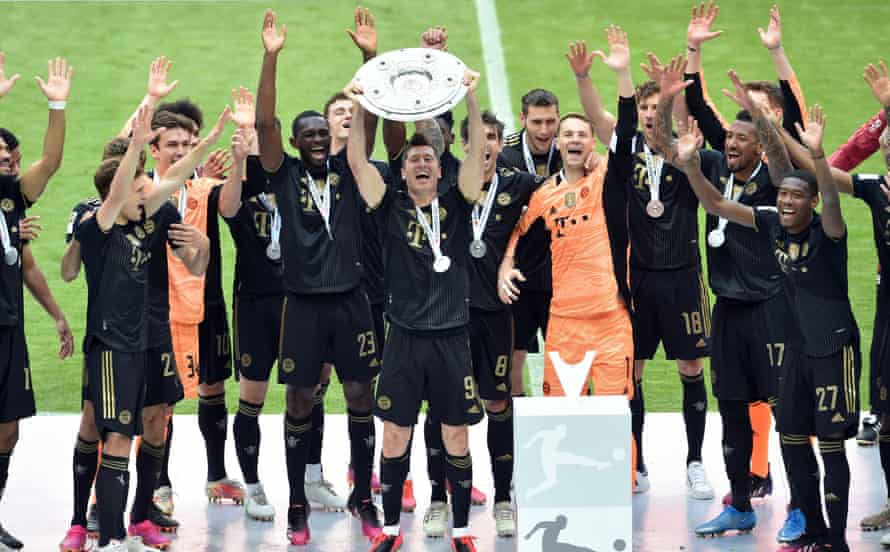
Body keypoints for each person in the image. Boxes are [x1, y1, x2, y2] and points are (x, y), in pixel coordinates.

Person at [673, 100, 858, 550]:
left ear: (811, 202)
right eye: (784, 197)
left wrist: (813, 154)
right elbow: (715, 202)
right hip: (754, 325)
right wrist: (690, 165)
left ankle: (812, 519)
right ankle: (746, 505)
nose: (787, 202)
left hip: (810, 336)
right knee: (744, 413)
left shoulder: (828, 230)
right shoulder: (772, 220)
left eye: (797, 197)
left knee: (808, 430)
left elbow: (827, 197)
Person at [566, 22, 713, 499]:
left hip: (685, 278)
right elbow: (607, 119)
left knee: (692, 369)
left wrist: (684, 70)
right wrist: (603, 76)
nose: (651, 114)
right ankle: (637, 461)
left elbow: (690, 116)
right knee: (633, 372)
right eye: (646, 107)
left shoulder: (684, 152)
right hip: (635, 281)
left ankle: (694, 461)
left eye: (658, 107)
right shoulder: (624, 153)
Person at [257, 10, 382, 544]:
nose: (313, 139)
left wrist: (369, 59)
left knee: (360, 395)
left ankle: (363, 497)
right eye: (304, 133)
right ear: (295, 139)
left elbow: (370, 121)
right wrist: (271, 57)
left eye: (319, 133)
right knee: (300, 400)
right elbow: (263, 124)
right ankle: (297, 505)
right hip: (303, 305)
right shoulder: (282, 174)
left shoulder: (350, 171)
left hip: (351, 301)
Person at [347, 65, 484, 551]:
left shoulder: (459, 202)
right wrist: (363, 102)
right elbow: (359, 165)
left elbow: (476, 161)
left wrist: (469, 98)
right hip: (403, 339)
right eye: (414, 159)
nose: (422, 164)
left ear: (439, 168)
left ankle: (463, 532)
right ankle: (388, 531)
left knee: (457, 440)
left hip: (451, 338)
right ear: (402, 170)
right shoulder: (389, 206)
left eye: (429, 158)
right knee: (394, 439)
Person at [498, 27, 639, 495]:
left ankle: (611, 490)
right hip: (564, 322)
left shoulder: (607, 181)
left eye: (582, 133)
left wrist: (615, 77)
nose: (575, 140)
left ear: (592, 143)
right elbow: (514, 237)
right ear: (557, 143)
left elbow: (625, 129)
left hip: (611, 319)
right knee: (560, 412)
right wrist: (504, 268)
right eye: (567, 135)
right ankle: (560, 492)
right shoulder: (543, 195)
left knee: (616, 410)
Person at [777, 61, 890, 545]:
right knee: (885, 414)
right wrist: (785, 132)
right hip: (888, 310)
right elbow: (825, 178)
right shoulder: (877, 190)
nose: (885, 148)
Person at [0, 52, 72, 551]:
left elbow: (51, 164)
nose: (7, 166)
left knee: (8, 435)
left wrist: (57, 106)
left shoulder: (12, 201)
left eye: (9, 160)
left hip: (8, 328)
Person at [497, 87, 561, 399]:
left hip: (562, 277)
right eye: (536, 122)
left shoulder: (571, 150)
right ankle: (517, 435)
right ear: (523, 119)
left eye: (550, 121)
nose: (544, 130)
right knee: (513, 359)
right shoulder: (505, 155)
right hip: (517, 275)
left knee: (567, 361)